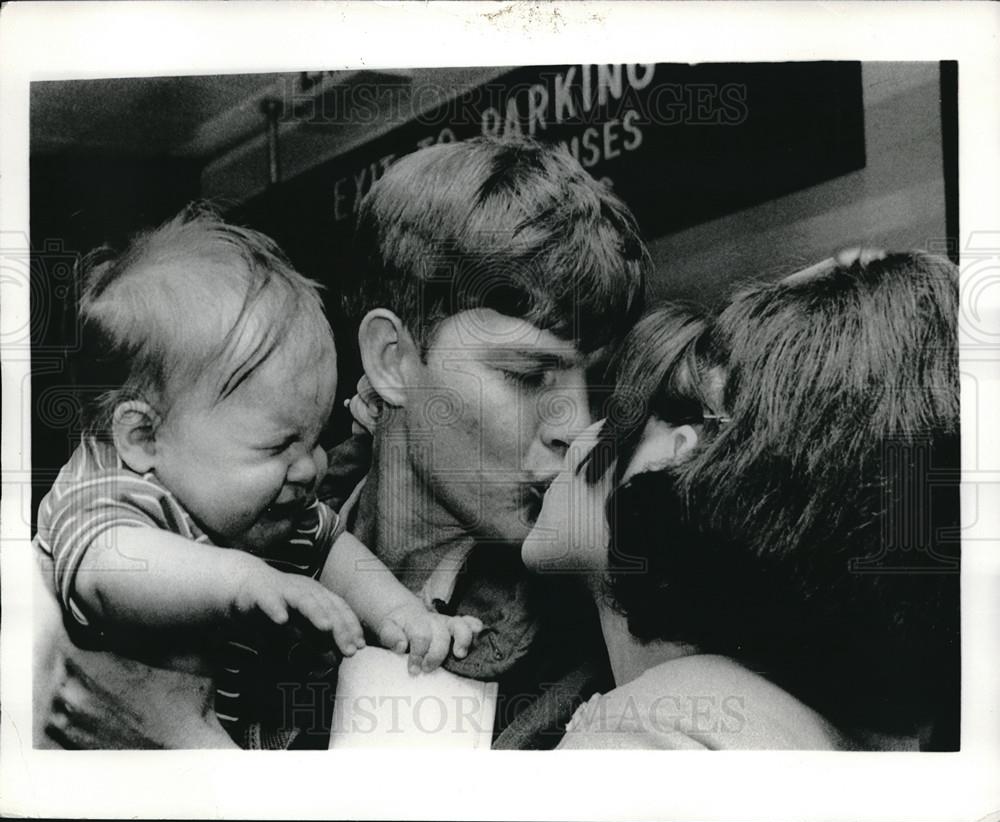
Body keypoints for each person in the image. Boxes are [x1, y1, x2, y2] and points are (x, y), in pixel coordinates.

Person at [40, 137, 650, 749]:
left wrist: (174, 742)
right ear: (393, 360)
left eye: (598, 384)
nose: (577, 425)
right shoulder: (227, 503)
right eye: (526, 374)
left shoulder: (581, 669)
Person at [34, 207, 482, 749]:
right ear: (143, 438)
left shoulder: (261, 506)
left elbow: (333, 547)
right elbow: (110, 571)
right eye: (278, 446)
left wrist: (403, 615)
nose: (310, 467)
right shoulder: (109, 492)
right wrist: (243, 581)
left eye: (316, 438)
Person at [523, 250, 961, 749]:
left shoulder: (654, 736)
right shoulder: (834, 730)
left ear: (674, 458)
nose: (574, 429)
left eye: (612, 404)